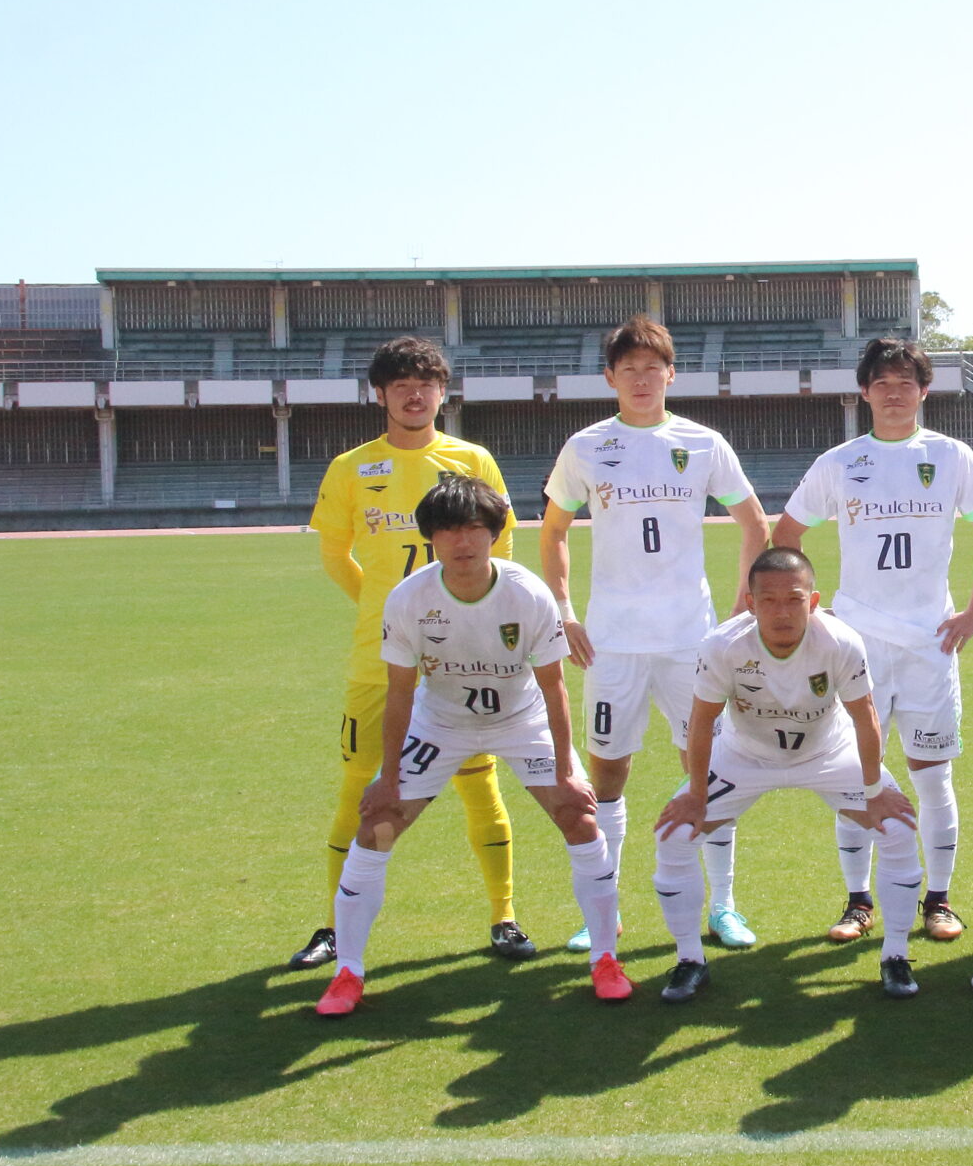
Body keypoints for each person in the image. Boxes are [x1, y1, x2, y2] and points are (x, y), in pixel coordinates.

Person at [314, 476, 626, 1016]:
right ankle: (349, 972)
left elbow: (553, 686)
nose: (463, 543)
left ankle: (606, 958)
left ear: (494, 532)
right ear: (432, 538)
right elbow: (399, 692)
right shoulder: (409, 598)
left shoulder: (527, 593)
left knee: (579, 815)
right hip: (442, 724)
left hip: (519, 719)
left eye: (475, 530)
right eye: (450, 531)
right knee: (378, 821)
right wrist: (388, 776)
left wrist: (565, 768)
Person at [294, 336, 534, 972]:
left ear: (442, 392)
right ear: (380, 394)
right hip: (379, 658)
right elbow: (333, 554)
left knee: (478, 782)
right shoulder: (351, 467)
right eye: (400, 383)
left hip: (462, 657)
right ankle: (332, 927)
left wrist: (471, 616)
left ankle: (504, 916)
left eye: (425, 382)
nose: (414, 392)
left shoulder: (471, 459)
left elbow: (501, 550)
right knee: (358, 788)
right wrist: (393, 614)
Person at [540, 315, 772, 954]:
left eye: (653, 369)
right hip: (611, 642)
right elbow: (554, 530)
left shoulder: (702, 443)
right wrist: (564, 606)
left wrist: (737, 609)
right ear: (610, 377)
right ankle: (602, 911)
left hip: (688, 642)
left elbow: (755, 525)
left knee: (709, 771)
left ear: (671, 374)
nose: (642, 380)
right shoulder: (587, 446)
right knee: (607, 776)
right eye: (629, 370)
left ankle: (722, 905)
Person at [776, 337, 973, 944]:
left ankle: (939, 899)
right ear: (864, 392)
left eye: (906, 382)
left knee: (932, 776)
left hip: (931, 642)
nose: (894, 392)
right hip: (858, 644)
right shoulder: (840, 461)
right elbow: (789, 531)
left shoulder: (951, 456)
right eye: (882, 382)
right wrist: (811, 609)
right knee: (855, 773)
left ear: (924, 390)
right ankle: (858, 901)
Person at [649, 548, 926, 1002]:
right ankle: (689, 961)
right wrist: (696, 793)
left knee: (896, 830)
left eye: (794, 600)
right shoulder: (722, 645)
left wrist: (874, 791)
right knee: (675, 835)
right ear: (750, 602)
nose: (782, 612)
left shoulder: (839, 642)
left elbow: (865, 719)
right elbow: (700, 724)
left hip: (829, 752)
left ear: (813, 601)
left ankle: (895, 956)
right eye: (770, 601)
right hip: (745, 756)